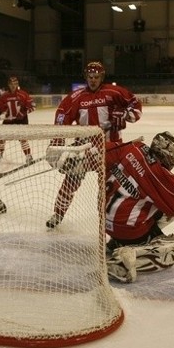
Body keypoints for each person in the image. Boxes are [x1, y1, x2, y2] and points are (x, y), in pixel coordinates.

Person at [48, 131, 174, 283]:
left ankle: (117, 243)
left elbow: (99, 154)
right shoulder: (159, 175)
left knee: (159, 206)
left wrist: (75, 158)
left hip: (106, 223)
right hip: (129, 230)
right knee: (168, 254)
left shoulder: (131, 148)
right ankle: (126, 259)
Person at [45, 61, 143, 229]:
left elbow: (135, 104)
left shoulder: (114, 92)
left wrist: (125, 114)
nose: (93, 80)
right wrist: (58, 142)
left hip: (111, 149)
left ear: (102, 77)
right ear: (85, 77)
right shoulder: (76, 97)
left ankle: (103, 218)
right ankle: (58, 213)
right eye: (90, 77)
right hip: (86, 149)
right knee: (71, 181)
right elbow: (62, 115)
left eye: (96, 77)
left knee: (107, 187)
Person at [0, 76, 36, 164]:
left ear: (18, 84)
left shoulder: (23, 94)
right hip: (9, 120)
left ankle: (28, 156)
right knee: (2, 137)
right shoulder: (4, 96)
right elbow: (0, 108)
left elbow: (32, 107)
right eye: (11, 84)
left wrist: (22, 114)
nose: (13, 86)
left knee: (22, 138)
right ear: (8, 85)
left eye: (15, 84)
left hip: (22, 120)